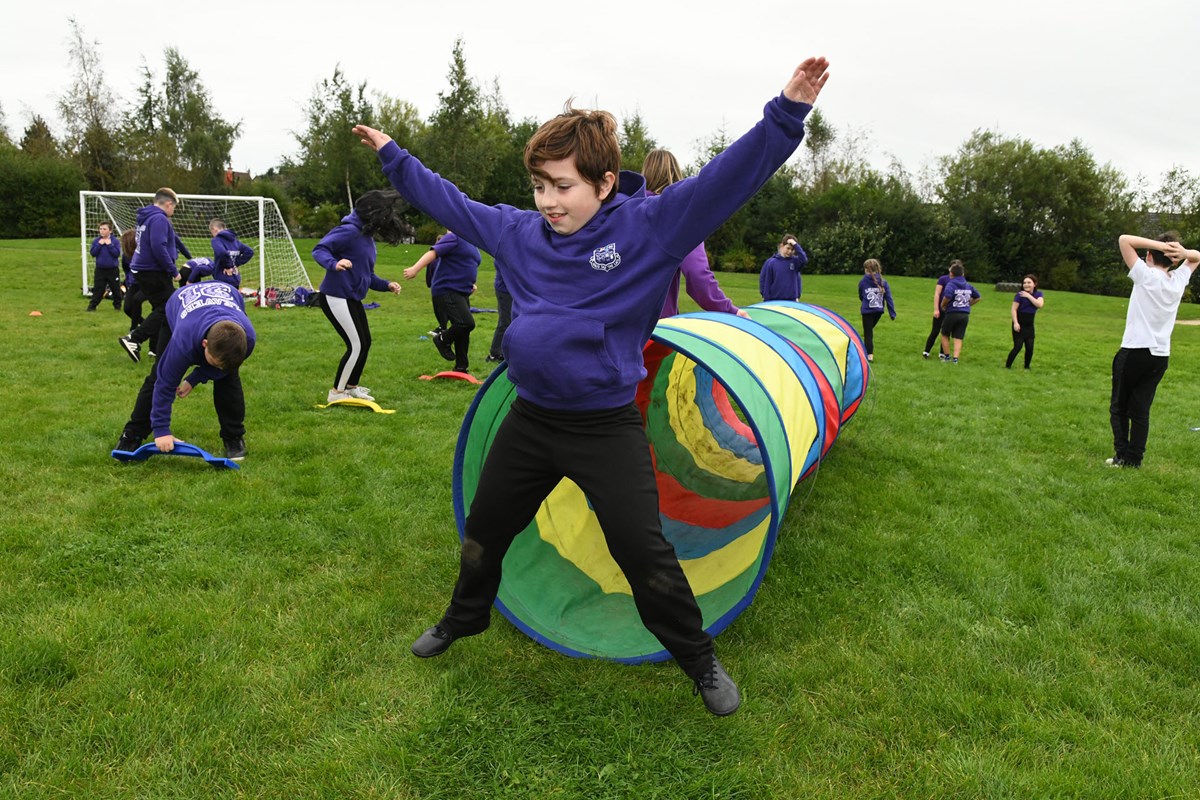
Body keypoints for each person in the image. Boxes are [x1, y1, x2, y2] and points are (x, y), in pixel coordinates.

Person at [353, 54, 831, 717]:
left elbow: (725, 182)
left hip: (604, 427)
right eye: (539, 187)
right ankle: (464, 618)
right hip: (530, 420)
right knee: (485, 530)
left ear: (605, 184)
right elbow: (452, 205)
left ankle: (698, 660)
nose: (547, 202)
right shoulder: (521, 233)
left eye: (561, 187)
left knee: (645, 551)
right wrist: (396, 158)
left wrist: (786, 113)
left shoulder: (650, 228)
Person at [114, 279, 255, 461]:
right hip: (179, 305)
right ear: (204, 345)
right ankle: (132, 434)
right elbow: (165, 383)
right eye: (214, 362)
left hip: (225, 294)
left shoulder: (247, 339)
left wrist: (195, 377)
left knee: (228, 378)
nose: (218, 368)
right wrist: (161, 430)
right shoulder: (183, 341)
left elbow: (224, 369)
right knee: (158, 374)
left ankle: (233, 438)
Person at [1107, 233, 1199, 468]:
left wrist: (1161, 246)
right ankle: (1134, 460)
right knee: (1140, 409)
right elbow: (1196, 258)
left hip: (1135, 351)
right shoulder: (1177, 281)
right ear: (1174, 260)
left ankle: (1121, 456)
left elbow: (1124, 240)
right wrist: (1181, 252)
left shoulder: (1145, 275)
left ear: (1148, 255)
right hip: (1159, 356)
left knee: (1119, 407)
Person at [312, 189, 407, 403]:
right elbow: (320, 249)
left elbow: (367, 275)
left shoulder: (366, 237)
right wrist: (334, 264)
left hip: (351, 298)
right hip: (336, 296)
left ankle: (351, 386)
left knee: (365, 342)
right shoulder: (349, 231)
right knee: (355, 345)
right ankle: (337, 393)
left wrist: (387, 285)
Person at [641, 148, 749, 320]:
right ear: (676, 174)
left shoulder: (625, 210)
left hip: (609, 328)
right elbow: (697, 276)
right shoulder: (678, 215)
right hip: (653, 331)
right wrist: (731, 311)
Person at [402, 230, 482, 373]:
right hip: (447, 289)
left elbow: (464, 264)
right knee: (465, 323)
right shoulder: (455, 236)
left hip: (462, 291)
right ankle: (442, 339)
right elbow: (433, 253)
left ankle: (461, 367)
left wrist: (470, 283)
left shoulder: (472, 243)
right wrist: (415, 269)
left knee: (464, 331)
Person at [119, 188, 184, 363]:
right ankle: (134, 339)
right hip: (153, 271)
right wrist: (173, 270)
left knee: (163, 310)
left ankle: (158, 350)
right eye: (174, 208)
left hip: (143, 270)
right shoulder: (159, 219)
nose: (173, 212)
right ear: (169, 204)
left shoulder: (145, 217)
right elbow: (158, 247)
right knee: (168, 307)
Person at [938, 261, 980, 363]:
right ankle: (955, 359)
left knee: (944, 334)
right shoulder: (968, 285)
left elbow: (947, 296)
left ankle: (947, 357)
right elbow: (978, 297)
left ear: (951, 274)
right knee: (958, 336)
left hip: (952, 312)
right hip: (964, 314)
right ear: (962, 274)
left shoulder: (951, 284)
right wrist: (968, 304)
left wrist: (942, 305)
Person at [857, 258, 896, 362]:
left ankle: (869, 357)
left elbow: (860, 294)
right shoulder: (883, 282)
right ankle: (866, 350)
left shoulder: (863, 281)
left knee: (868, 333)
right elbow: (889, 298)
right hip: (878, 311)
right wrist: (892, 313)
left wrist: (864, 301)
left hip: (867, 311)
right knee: (869, 331)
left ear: (866, 269)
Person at [1005, 274, 1044, 369]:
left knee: (1030, 347)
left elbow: (1039, 305)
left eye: (1029, 282)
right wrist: (1015, 323)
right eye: (1024, 283)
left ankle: (1027, 367)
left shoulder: (1038, 294)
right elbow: (1013, 309)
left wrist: (1029, 296)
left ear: (1034, 284)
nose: (1026, 284)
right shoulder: (1019, 295)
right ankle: (1007, 366)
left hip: (1029, 325)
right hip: (1019, 323)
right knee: (1018, 347)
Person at [759, 234, 807, 302]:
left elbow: (804, 259)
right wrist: (766, 297)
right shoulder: (771, 262)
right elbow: (764, 280)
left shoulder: (795, 262)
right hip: (774, 300)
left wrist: (795, 245)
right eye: (788, 248)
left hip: (791, 300)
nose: (790, 251)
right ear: (782, 246)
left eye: (792, 249)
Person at [87, 222, 123, 312]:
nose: (102, 231)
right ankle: (92, 306)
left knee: (115, 288)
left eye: (104, 229)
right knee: (98, 288)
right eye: (100, 229)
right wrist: (99, 244)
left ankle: (117, 306)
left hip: (112, 269)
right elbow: (93, 253)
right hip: (100, 269)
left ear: (110, 231)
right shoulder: (96, 241)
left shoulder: (115, 241)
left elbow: (117, 254)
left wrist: (109, 245)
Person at [922, 262, 954, 359]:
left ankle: (942, 353)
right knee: (935, 331)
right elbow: (937, 294)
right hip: (941, 309)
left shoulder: (959, 282)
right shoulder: (943, 279)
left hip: (951, 311)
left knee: (946, 332)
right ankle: (926, 351)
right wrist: (936, 309)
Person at [486, 263, 513, 364]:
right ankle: (495, 353)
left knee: (512, 320)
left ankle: (508, 350)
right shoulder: (506, 250)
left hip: (513, 290)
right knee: (505, 321)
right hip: (505, 290)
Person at [119, 229, 145, 333]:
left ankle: (133, 329)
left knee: (137, 300)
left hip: (147, 283)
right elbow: (126, 269)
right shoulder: (126, 256)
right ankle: (146, 324)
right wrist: (128, 280)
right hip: (134, 284)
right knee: (127, 308)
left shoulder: (143, 253)